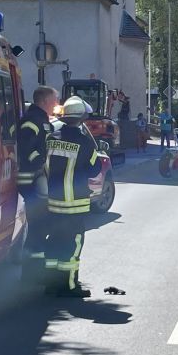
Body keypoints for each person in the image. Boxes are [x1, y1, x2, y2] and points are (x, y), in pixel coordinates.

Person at [43, 96, 104, 298]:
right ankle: (69, 286)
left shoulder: (51, 139)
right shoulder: (85, 142)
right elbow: (95, 169)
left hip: (53, 203)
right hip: (75, 204)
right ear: (81, 119)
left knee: (54, 243)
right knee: (73, 244)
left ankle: (51, 285)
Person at [17, 86, 58, 281]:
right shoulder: (32, 121)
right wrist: (39, 162)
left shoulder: (41, 120)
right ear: (44, 101)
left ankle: (33, 272)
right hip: (30, 183)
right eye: (54, 100)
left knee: (40, 227)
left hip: (37, 183)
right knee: (37, 228)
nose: (56, 104)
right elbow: (26, 148)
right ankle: (30, 274)